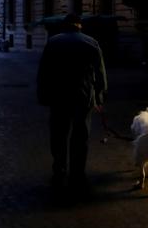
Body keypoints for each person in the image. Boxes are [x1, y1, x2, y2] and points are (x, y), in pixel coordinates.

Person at [37, 13, 107, 194]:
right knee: (80, 136)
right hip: (83, 97)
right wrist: (99, 97)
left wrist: (43, 96)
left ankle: (59, 170)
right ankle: (77, 173)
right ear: (79, 26)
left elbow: (44, 72)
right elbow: (100, 74)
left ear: (65, 25)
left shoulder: (53, 42)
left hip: (58, 96)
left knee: (59, 135)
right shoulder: (91, 42)